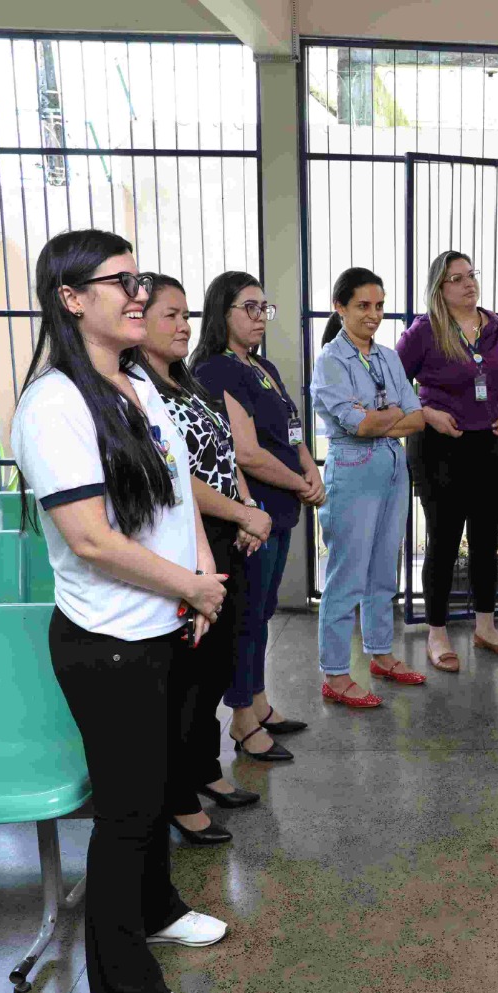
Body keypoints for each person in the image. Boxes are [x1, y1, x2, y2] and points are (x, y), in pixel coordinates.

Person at [11, 228, 228, 993]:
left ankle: (157, 907)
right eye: (122, 281)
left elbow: (176, 492)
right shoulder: (55, 403)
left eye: (140, 279)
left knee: (158, 785)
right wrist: (188, 587)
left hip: (160, 623)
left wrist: (200, 572)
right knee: (127, 816)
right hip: (108, 643)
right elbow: (92, 539)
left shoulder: (136, 379)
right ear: (71, 299)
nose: (140, 294)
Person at [134, 274, 272, 845]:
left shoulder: (185, 381)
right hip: (185, 539)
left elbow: (225, 454)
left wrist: (247, 509)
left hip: (224, 532)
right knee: (189, 674)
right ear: (138, 321)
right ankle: (179, 795)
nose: (183, 326)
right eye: (170, 315)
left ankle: (205, 769)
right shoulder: (140, 391)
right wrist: (240, 514)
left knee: (218, 663)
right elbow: (176, 477)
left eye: (187, 315)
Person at [191, 271, 320, 761]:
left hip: (280, 508)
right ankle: (242, 719)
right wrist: (301, 483)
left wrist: (309, 467)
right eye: (249, 307)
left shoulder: (261, 365)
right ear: (221, 312)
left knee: (263, 614)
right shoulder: (215, 370)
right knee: (246, 618)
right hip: (251, 513)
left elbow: (291, 429)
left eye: (264, 307)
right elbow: (245, 453)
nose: (260, 316)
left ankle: (260, 703)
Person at [397, 251, 498, 672]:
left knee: (486, 541)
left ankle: (485, 627)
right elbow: (393, 384)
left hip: (493, 445)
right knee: (442, 541)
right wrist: (427, 413)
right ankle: (437, 633)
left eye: (471, 274)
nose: (468, 283)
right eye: (456, 278)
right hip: (440, 447)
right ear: (439, 288)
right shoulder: (424, 331)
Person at [311, 268, 428, 708]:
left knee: (383, 569)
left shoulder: (388, 357)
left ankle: (381, 653)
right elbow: (358, 426)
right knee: (347, 573)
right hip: (353, 467)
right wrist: (388, 414)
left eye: (379, 306)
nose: (373, 315)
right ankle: (336, 673)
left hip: (393, 465)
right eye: (363, 305)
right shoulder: (330, 361)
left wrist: (380, 417)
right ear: (339, 308)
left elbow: (418, 417)